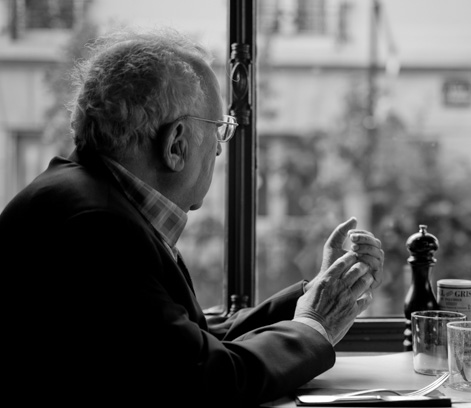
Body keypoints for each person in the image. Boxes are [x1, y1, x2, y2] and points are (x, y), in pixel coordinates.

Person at [0, 28, 384, 406]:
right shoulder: (97, 227)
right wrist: (313, 326)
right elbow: (204, 377)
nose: (218, 152)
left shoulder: (88, 199)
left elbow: (186, 341)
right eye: (219, 132)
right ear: (177, 143)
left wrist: (316, 295)